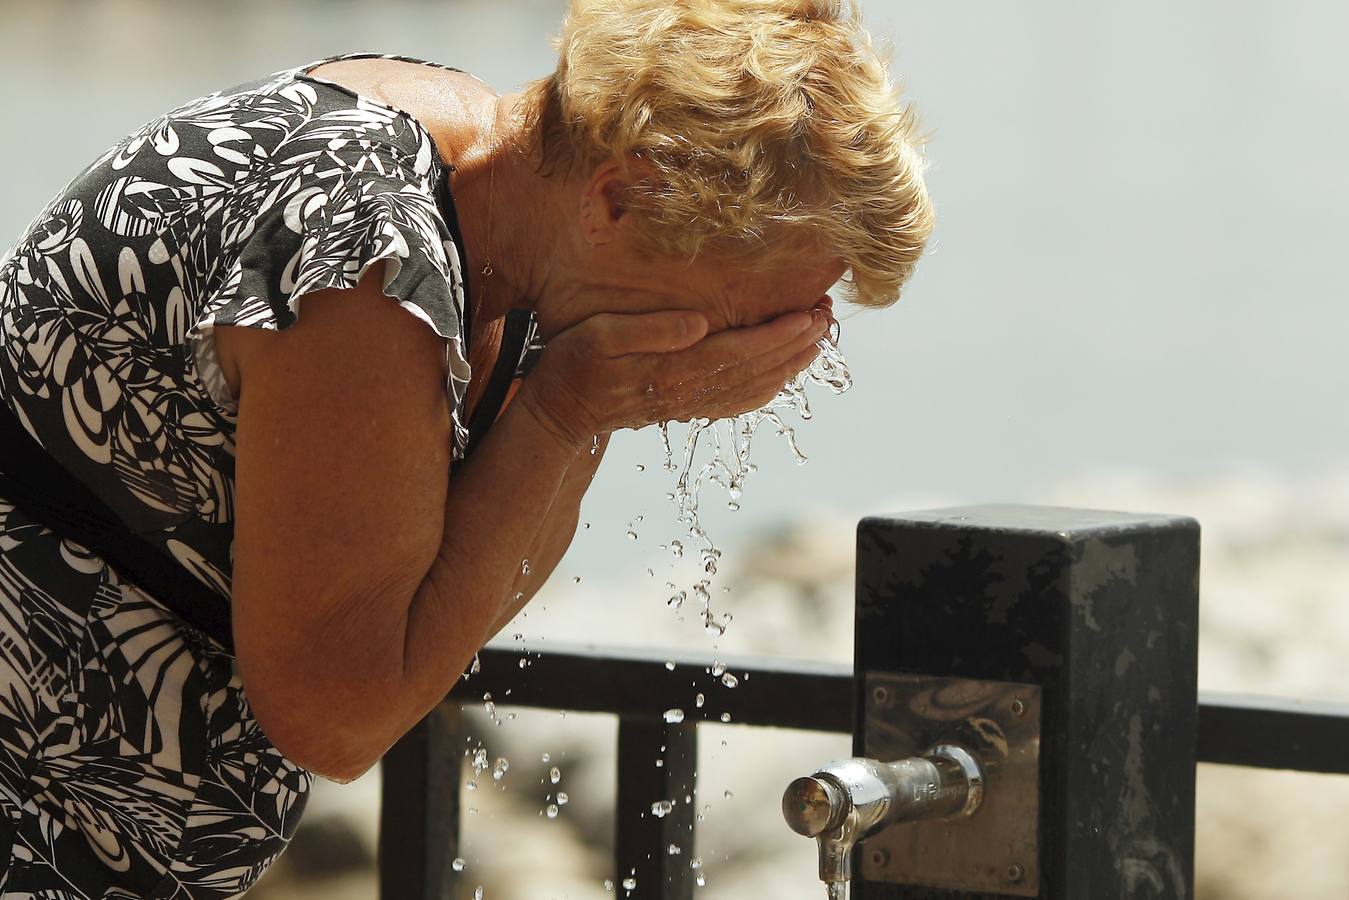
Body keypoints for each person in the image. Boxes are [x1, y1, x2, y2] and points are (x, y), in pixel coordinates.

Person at [0, 0, 933, 894]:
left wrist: (580, 411)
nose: (786, 343)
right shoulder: (371, 250)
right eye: (767, 308)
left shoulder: (478, 204)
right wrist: (565, 416)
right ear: (618, 199)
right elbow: (339, 713)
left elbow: (440, 616)